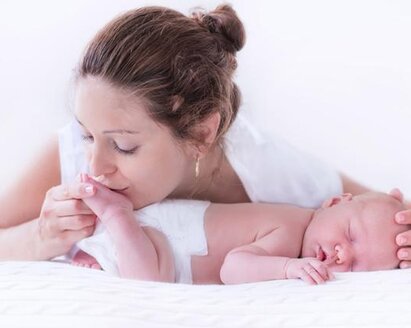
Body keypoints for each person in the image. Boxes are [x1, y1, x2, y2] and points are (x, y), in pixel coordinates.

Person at [1, 4, 411, 268]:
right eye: (88, 134)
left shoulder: (268, 171)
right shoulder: (71, 155)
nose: (95, 165)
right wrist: (40, 236)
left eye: (124, 145)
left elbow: (381, 212)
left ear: (201, 133)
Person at [74, 173, 407, 285]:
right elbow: (233, 268)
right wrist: (288, 268)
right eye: (350, 235)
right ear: (334, 203)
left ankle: (101, 254)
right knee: (147, 280)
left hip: (162, 242)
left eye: (358, 265)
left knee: (143, 268)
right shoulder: (291, 228)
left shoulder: (299, 227)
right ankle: (117, 217)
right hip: (168, 234)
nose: (342, 254)